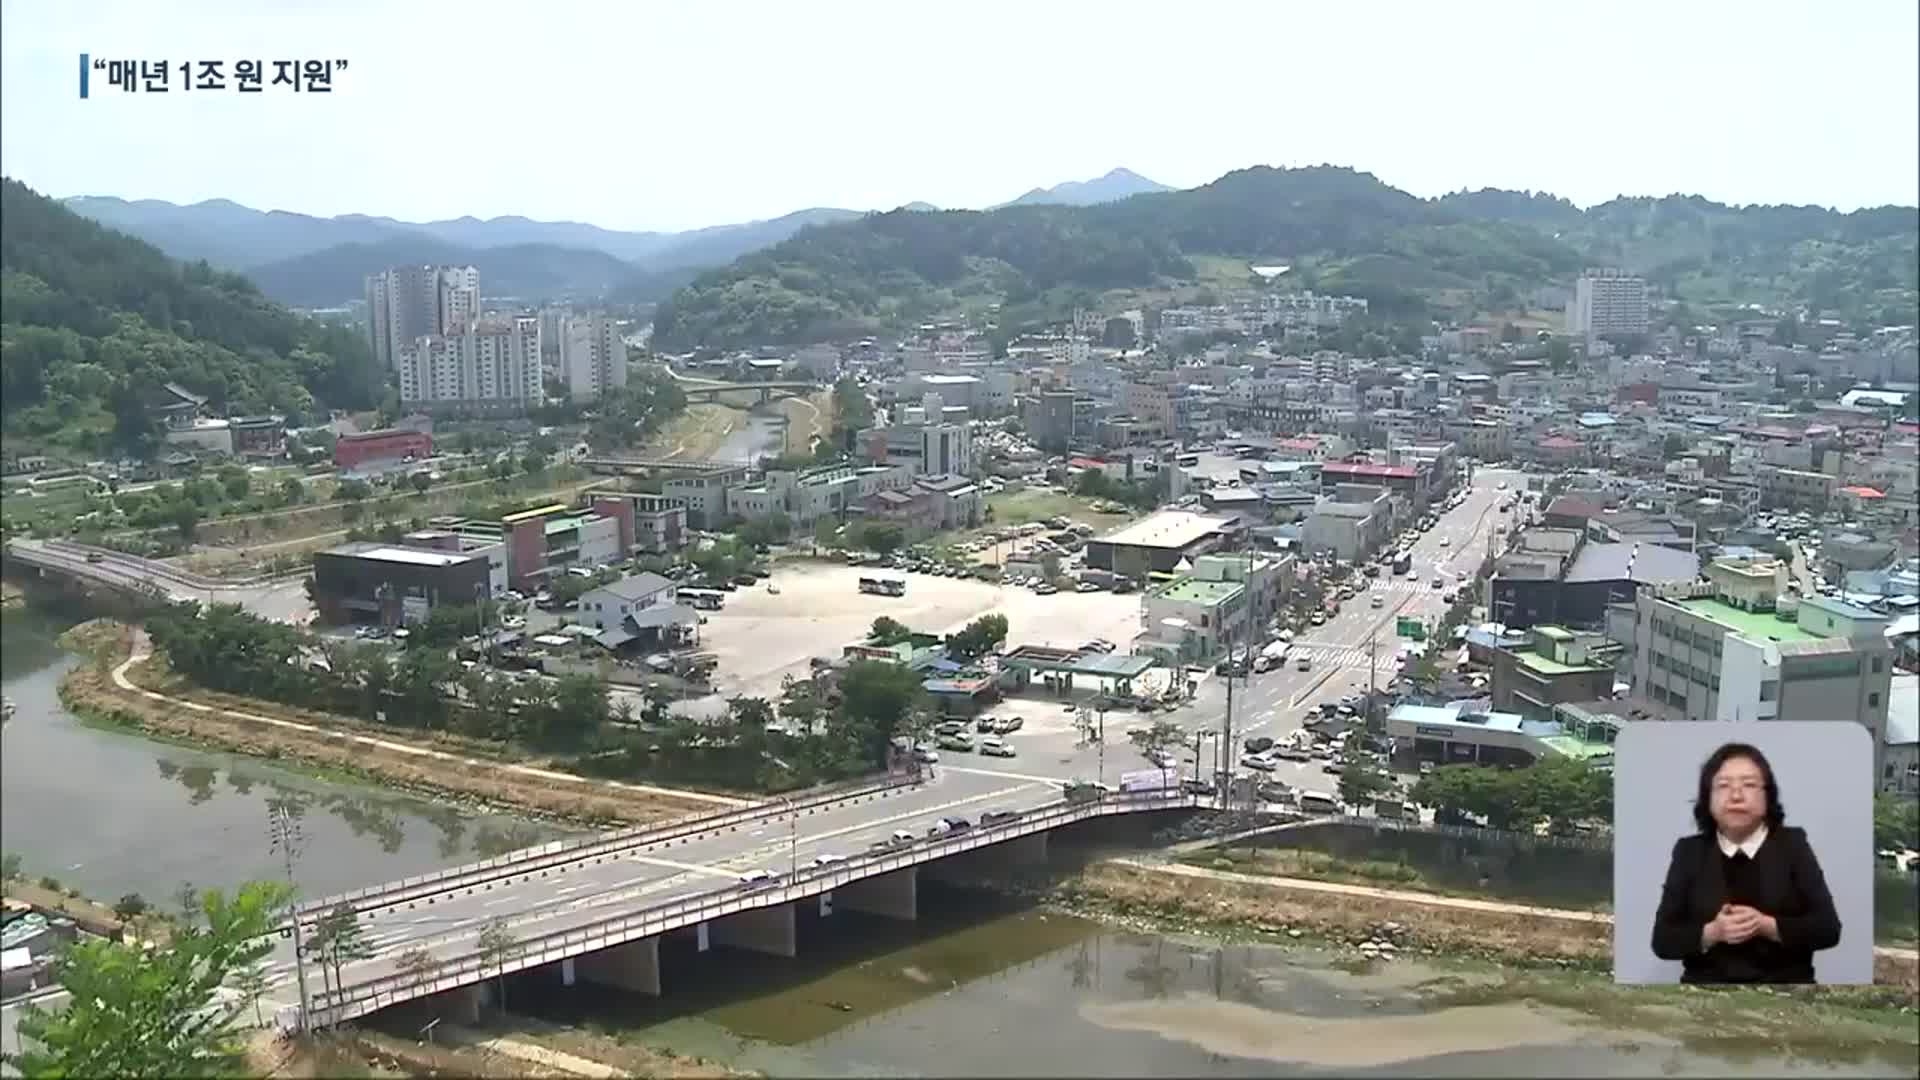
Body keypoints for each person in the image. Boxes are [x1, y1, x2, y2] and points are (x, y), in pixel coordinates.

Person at [1650, 741, 1842, 984]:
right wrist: (1713, 933)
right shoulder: (1689, 852)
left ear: (1767, 796)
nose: (1736, 796)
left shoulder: (1793, 845)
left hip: (1786, 993)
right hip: (1705, 993)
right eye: (1723, 786)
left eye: (1749, 785)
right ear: (1707, 798)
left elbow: (1828, 929)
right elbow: (1662, 940)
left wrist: (1767, 926)